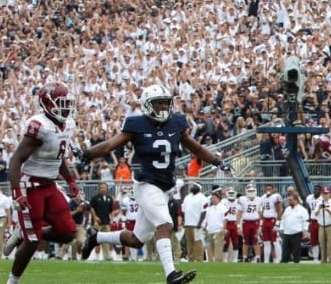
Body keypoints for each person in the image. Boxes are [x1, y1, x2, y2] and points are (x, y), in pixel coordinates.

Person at [76, 85, 229, 284]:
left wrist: (218, 161)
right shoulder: (136, 124)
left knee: (137, 239)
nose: (164, 108)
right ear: (148, 106)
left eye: (166, 103)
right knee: (165, 224)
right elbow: (109, 145)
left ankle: (96, 237)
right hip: (146, 184)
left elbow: (196, 148)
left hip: (165, 188)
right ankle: (171, 275)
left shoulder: (176, 123)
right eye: (159, 104)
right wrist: (86, 154)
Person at [3, 81, 80, 284]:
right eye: (61, 103)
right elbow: (15, 160)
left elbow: (57, 157)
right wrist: (16, 193)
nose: (66, 108)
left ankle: (23, 232)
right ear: (47, 103)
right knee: (33, 241)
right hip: (30, 187)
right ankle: (12, 281)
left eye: (67, 103)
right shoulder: (39, 125)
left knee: (68, 232)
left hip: (50, 186)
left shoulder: (67, 124)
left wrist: (70, 179)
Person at [88, 182, 119, 261]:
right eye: (101, 188)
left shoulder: (109, 198)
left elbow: (111, 211)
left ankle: (107, 256)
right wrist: (95, 218)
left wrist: (111, 220)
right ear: (99, 189)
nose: (103, 189)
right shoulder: (94, 198)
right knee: (97, 240)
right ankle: (96, 256)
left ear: (107, 189)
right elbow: (91, 209)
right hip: (97, 223)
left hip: (106, 222)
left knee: (106, 240)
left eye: (104, 188)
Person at [279, 193, 309, 263]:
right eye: (289, 200)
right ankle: (284, 262)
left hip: (296, 232)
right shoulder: (287, 209)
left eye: (291, 200)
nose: (289, 202)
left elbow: (305, 221)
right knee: (285, 250)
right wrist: (281, 228)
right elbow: (283, 219)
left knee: (296, 250)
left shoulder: (302, 210)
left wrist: (305, 230)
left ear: (296, 200)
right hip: (287, 233)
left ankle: (296, 262)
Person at [182, 183, 208, 262]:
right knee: (189, 243)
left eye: (194, 186)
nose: (192, 187)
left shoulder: (202, 198)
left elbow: (204, 212)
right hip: (188, 224)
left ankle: (199, 259)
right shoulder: (187, 197)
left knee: (197, 242)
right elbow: (183, 210)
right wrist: (184, 221)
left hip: (196, 224)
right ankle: (191, 259)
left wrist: (200, 223)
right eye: (192, 186)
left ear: (198, 188)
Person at [237, 184, 262, 263]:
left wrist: (260, 224)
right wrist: (238, 225)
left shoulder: (259, 199)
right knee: (245, 241)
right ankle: (244, 257)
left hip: (255, 222)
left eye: (252, 191)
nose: (251, 192)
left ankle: (258, 258)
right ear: (246, 191)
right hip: (246, 222)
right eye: (249, 191)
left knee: (256, 240)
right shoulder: (242, 199)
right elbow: (239, 213)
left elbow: (260, 213)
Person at [259, 183, 283, 263]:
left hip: (273, 220)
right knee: (266, 242)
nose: (268, 190)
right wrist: (261, 224)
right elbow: (262, 212)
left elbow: (279, 210)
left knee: (275, 241)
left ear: (273, 190)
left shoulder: (276, 197)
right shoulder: (262, 198)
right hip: (265, 220)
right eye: (266, 189)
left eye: (270, 189)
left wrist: (277, 223)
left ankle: (279, 260)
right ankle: (266, 260)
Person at [314, 186, 331, 264]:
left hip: (330, 225)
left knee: (330, 244)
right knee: (322, 244)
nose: (325, 195)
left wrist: (327, 209)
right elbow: (315, 214)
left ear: (329, 194)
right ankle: (323, 260)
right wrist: (319, 209)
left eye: (327, 193)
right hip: (321, 225)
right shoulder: (319, 203)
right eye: (324, 193)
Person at [201, 191, 226, 263]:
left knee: (218, 250)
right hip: (209, 231)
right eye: (212, 198)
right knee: (209, 249)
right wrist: (204, 226)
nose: (213, 200)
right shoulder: (209, 209)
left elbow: (225, 218)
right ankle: (210, 263)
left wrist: (223, 228)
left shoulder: (223, 207)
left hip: (218, 231)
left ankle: (218, 263)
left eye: (214, 198)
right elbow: (206, 219)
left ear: (218, 199)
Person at [305, 185, 322, 262]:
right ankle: (315, 257)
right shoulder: (309, 198)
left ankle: (324, 257)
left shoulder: (322, 198)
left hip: (321, 221)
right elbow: (308, 207)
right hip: (313, 221)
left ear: (320, 191)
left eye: (317, 189)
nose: (316, 191)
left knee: (322, 240)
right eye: (315, 189)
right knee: (314, 241)